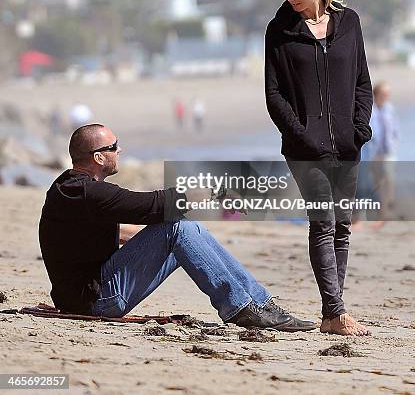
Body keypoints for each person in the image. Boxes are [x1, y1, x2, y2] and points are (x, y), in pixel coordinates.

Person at [39, 123, 316, 332]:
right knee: (179, 227)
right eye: (114, 146)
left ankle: (260, 303)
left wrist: (175, 241)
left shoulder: (74, 190)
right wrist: (216, 192)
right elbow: (155, 205)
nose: (119, 150)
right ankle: (241, 308)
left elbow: (121, 232)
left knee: (182, 231)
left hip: (88, 293)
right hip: (96, 299)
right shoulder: (86, 192)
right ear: (98, 158)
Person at [265, 0, 373, 336]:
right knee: (323, 222)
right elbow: (274, 95)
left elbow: (362, 81)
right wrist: (302, 134)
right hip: (304, 149)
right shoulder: (279, 31)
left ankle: (333, 313)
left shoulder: (349, 23)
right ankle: (335, 309)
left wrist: (359, 129)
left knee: (342, 225)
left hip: (348, 145)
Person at [369, 81, 399, 226]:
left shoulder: (389, 109)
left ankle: (388, 210)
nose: (387, 96)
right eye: (384, 94)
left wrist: (395, 142)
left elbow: (394, 128)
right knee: (378, 182)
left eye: (388, 94)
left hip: (389, 151)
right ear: (377, 94)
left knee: (390, 180)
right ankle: (381, 212)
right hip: (374, 151)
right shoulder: (371, 110)